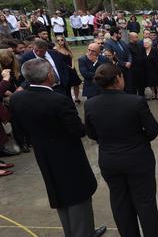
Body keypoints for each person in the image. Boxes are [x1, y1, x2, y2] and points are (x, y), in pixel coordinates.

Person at [9, 58, 106, 237]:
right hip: (68, 156)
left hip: (44, 156)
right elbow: (77, 130)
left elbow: (19, 132)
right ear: (48, 75)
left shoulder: (17, 99)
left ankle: (74, 232)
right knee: (78, 197)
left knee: (60, 196)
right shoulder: (58, 100)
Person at [84, 63, 158, 237]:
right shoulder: (135, 101)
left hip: (109, 159)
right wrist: (137, 140)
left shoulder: (91, 104)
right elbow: (153, 130)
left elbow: (91, 134)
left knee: (120, 202)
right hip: (138, 158)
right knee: (145, 202)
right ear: (118, 78)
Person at [54, 35, 83, 103]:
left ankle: (76, 98)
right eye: (58, 40)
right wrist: (67, 67)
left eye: (62, 40)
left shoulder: (67, 48)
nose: (60, 41)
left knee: (76, 84)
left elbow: (72, 57)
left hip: (72, 69)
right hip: (64, 70)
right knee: (67, 85)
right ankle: (68, 99)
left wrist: (72, 66)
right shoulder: (55, 50)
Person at [127, 32, 146, 97]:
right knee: (134, 85)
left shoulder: (139, 45)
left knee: (142, 85)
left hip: (141, 68)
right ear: (131, 38)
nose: (138, 38)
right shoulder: (128, 46)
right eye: (136, 37)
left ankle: (142, 96)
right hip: (133, 69)